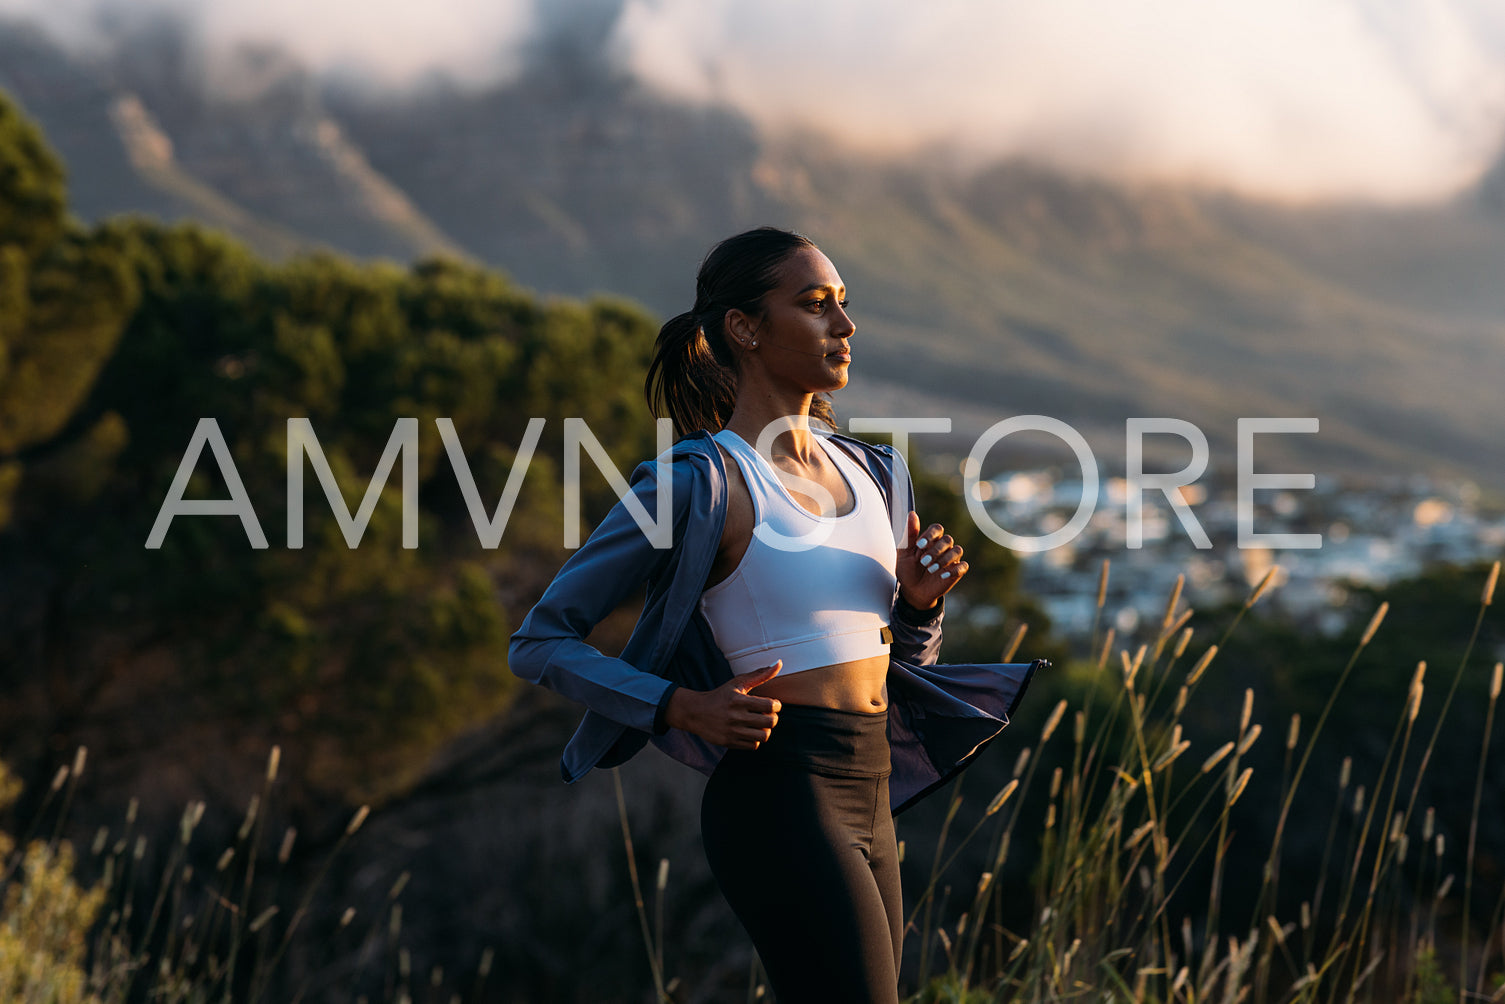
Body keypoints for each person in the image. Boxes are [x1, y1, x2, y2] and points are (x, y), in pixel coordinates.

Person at [508, 227, 1042, 1003]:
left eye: (844, 306)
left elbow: (901, 674)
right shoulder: (700, 481)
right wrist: (677, 706)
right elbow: (539, 640)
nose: (844, 327)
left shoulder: (879, 474)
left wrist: (919, 610)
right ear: (744, 328)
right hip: (779, 793)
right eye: (814, 305)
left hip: (874, 787)